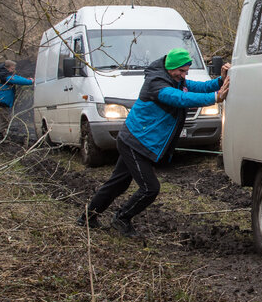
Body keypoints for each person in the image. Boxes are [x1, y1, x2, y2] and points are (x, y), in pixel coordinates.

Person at [78, 48, 230, 237]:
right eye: (181, 71)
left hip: (137, 140)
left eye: (186, 72)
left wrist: (220, 81)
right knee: (150, 188)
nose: (184, 75)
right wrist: (215, 97)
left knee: (118, 184)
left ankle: (87, 218)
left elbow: (197, 87)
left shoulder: (175, 80)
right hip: (134, 141)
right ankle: (121, 218)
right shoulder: (157, 84)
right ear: (171, 67)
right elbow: (181, 99)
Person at [0, 60, 34, 141]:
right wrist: (30, 82)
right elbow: (16, 80)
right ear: (7, 68)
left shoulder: (3, 74)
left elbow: (16, 77)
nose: (13, 70)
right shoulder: (4, 75)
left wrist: (27, 79)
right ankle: (1, 137)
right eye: (12, 69)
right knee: (5, 119)